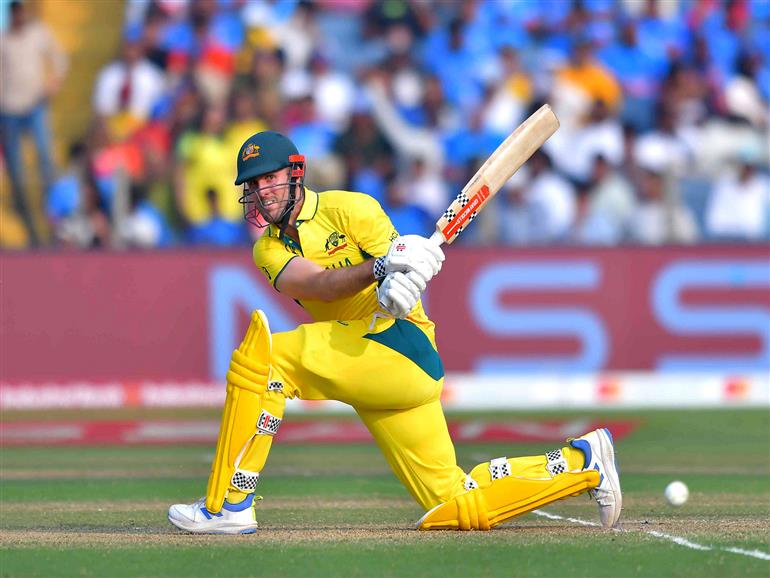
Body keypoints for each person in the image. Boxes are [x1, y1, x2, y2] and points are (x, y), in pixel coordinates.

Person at [167, 131, 622, 534]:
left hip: (400, 345)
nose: (262, 191)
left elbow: (404, 273)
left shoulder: (351, 209)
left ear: (296, 173)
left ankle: (229, 504)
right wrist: (380, 270)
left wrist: (403, 280)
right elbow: (319, 284)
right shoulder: (267, 250)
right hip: (366, 361)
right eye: (253, 184)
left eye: (270, 178)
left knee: (266, 357)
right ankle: (583, 463)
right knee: (454, 503)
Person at [0, 0, 68, 245]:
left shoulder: (38, 33)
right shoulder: (4, 40)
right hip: (9, 109)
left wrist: (54, 82)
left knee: (46, 161)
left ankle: (54, 220)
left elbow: (60, 58)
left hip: (35, 105)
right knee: (16, 172)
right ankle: (30, 229)